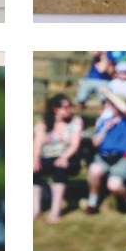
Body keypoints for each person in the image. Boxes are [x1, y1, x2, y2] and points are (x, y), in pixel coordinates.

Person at [83, 83, 126, 215]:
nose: (111, 107)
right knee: (94, 170)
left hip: (123, 158)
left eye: (113, 104)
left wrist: (108, 93)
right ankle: (92, 202)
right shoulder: (105, 120)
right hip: (104, 157)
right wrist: (105, 129)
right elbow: (95, 143)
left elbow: (124, 109)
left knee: (114, 185)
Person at [34, 95, 84, 223]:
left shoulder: (75, 122)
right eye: (66, 107)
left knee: (60, 167)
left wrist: (64, 157)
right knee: (33, 170)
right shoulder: (44, 123)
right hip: (48, 156)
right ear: (56, 109)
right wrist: (35, 159)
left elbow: (75, 144)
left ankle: (55, 212)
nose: (70, 110)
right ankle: (36, 208)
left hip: (69, 157)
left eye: (70, 106)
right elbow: (37, 143)